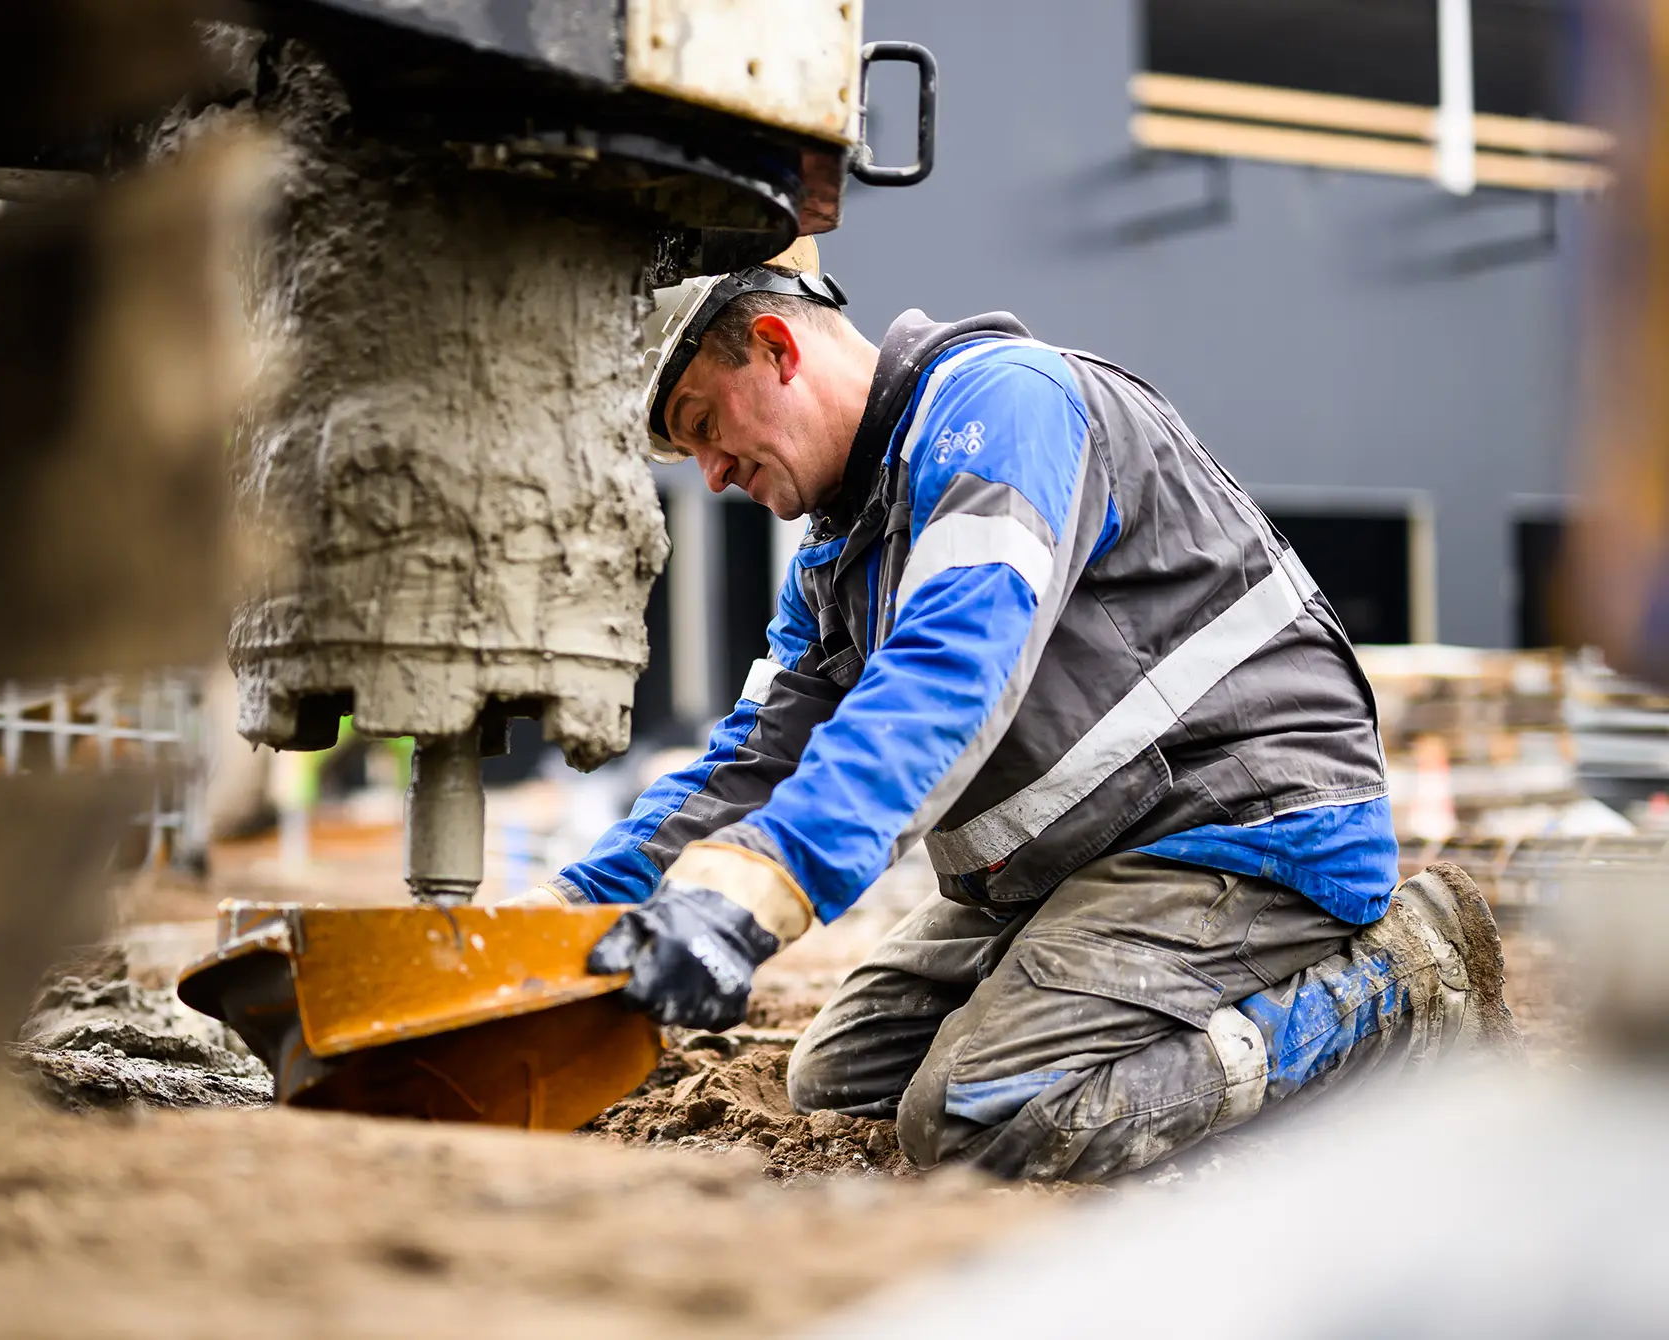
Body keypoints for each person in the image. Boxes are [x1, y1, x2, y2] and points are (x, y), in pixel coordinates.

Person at [527, 239, 1519, 1182]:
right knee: (840, 1084)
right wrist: (563, 919)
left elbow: (947, 672)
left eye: (703, 423)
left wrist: (763, 882)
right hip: (1085, 859)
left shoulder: (1001, 407)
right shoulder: (839, 550)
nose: (709, 472)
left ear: (777, 348)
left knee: (978, 1114)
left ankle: (1398, 986)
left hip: (1238, 830)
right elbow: (751, 760)